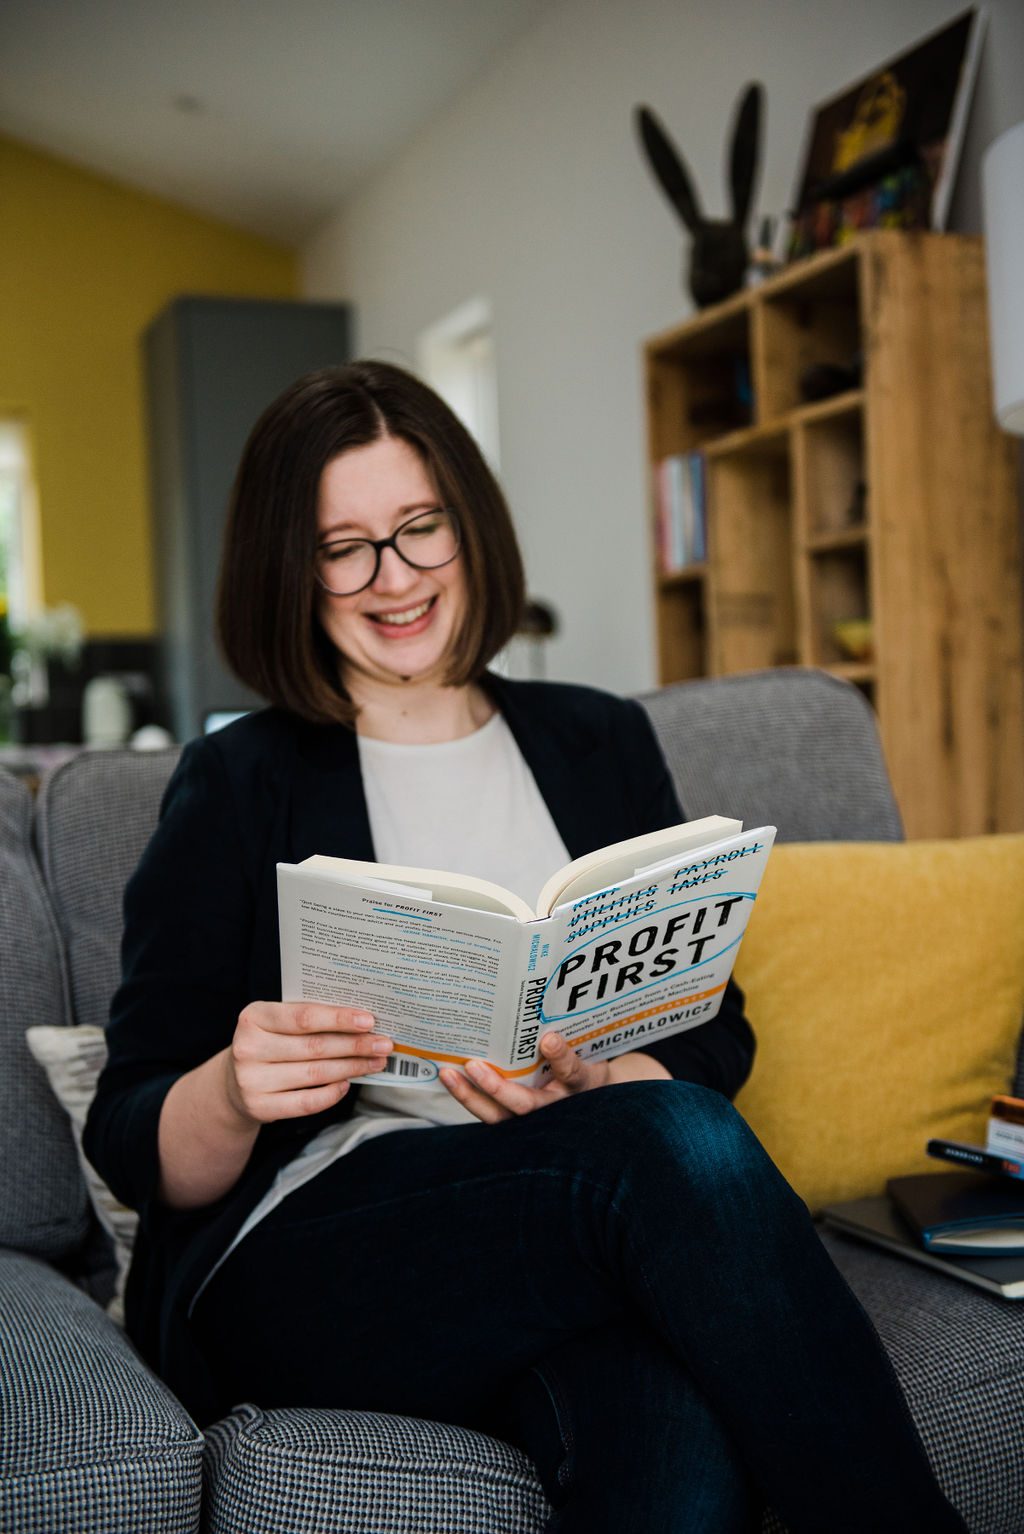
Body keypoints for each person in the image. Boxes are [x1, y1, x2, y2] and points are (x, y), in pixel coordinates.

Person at [83, 360, 966, 1533]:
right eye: (343, 546)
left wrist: (612, 1075)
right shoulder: (238, 779)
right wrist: (236, 1089)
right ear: (288, 568)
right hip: (311, 1249)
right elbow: (135, 1130)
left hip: (565, 1224)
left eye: (417, 528)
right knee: (672, 1144)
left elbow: (714, 1024)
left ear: (468, 522)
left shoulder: (597, 739)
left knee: (676, 1462)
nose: (392, 578)